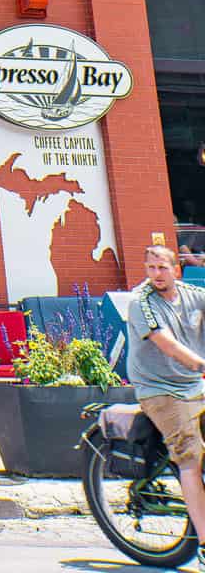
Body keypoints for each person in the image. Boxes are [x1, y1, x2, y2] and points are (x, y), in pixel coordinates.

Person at [126, 242, 205, 567]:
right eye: (151, 268)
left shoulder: (193, 295)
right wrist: (201, 365)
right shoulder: (140, 302)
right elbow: (166, 343)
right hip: (160, 389)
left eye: (162, 268)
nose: (156, 275)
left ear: (176, 269)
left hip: (193, 385)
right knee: (190, 459)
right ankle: (204, 544)